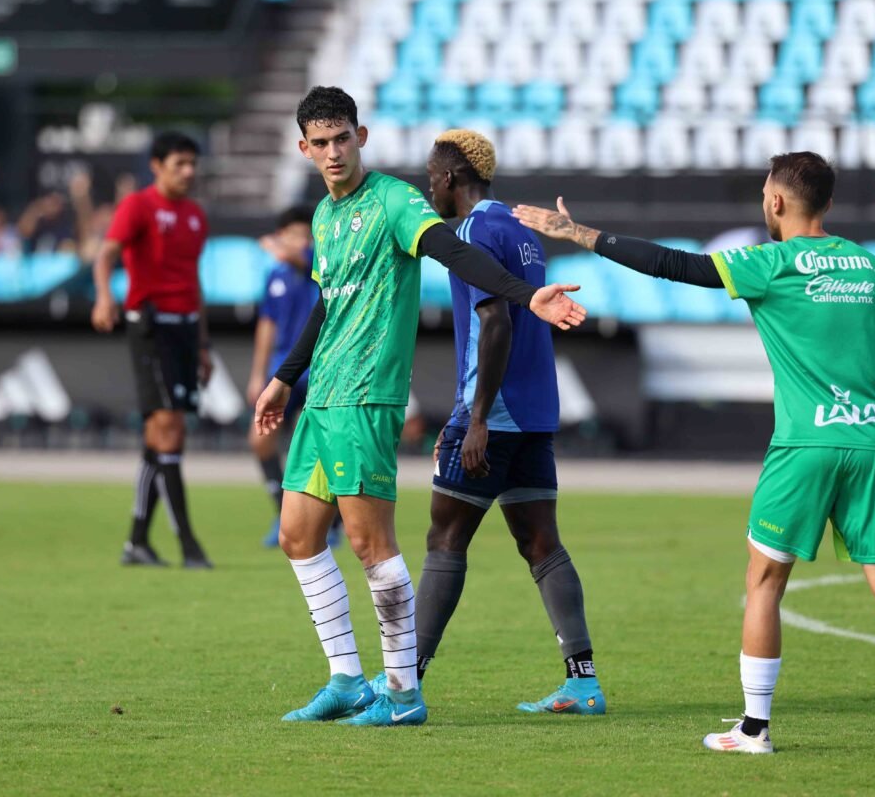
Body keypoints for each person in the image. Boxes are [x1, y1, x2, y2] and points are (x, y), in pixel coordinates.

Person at [514, 152, 875, 762]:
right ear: (827, 204)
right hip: (874, 442)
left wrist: (580, 234)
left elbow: (674, 265)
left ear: (776, 202)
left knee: (765, 585)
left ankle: (753, 730)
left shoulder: (768, 264)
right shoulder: (872, 267)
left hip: (805, 445)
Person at [252, 86, 586, 728]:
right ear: (303, 148)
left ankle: (403, 693)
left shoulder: (396, 202)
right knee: (298, 538)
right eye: (319, 143)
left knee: (369, 544)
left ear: (362, 137)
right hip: (321, 397)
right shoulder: (324, 217)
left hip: (366, 396)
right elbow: (328, 302)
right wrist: (283, 378)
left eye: (341, 138)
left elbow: (453, 251)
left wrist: (526, 294)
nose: (332, 152)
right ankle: (348, 680)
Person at [387, 128, 605, 715]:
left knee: (444, 538)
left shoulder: (471, 231)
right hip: (535, 414)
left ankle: (404, 687)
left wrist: (475, 416)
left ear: (450, 178)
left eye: (431, 177)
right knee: (540, 542)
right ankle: (583, 682)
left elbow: (496, 322)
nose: (428, 187)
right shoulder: (519, 232)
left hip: (497, 412)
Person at [92, 131, 214, 570]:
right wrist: (105, 297)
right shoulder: (138, 206)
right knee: (169, 430)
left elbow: (194, 283)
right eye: (179, 163)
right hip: (150, 327)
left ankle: (137, 543)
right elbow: (106, 254)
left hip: (184, 332)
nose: (188, 172)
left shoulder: (195, 216)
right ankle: (188, 543)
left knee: (159, 438)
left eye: (192, 163)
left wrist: (203, 345)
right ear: (156, 167)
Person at [246, 204, 342, 549]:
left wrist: (278, 247)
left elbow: (302, 258)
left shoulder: (318, 263)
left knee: (313, 447)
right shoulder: (275, 276)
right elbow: (266, 326)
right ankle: (283, 514)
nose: (299, 240)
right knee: (260, 440)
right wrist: (258, 374)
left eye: (304, 234)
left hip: (317, 368)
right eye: (292, 234)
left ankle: (330, 522)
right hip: (281, 372)